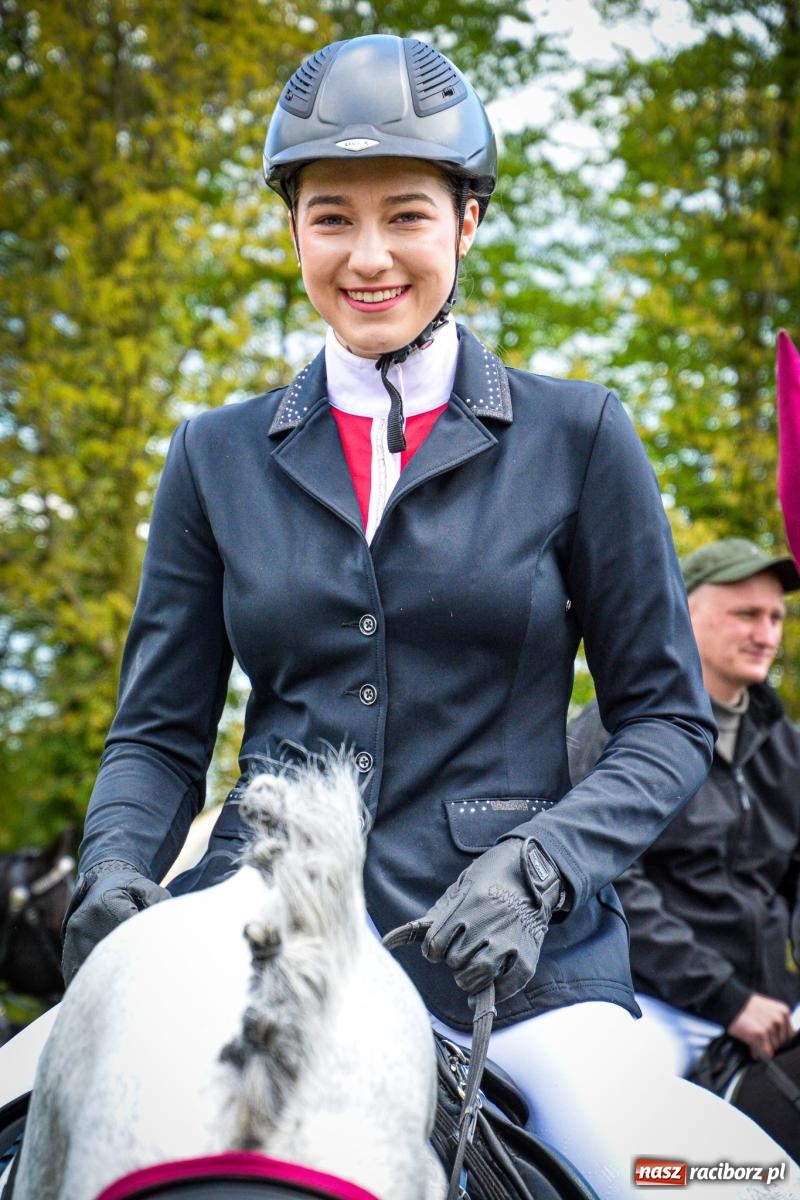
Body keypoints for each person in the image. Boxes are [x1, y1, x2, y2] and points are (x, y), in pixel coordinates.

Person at [53, 34, 799, 1198]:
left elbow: (661, 721)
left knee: (710, 1178)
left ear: (466, 223)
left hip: (514, 968)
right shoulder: (213, 457)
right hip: (247, 944)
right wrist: (111, 871)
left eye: (404, 215)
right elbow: (157, 736)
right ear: (291, 229)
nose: (366, 257)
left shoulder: (579, 437)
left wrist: (539, 866)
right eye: (329, 218)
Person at [568, 536, 800, 1078]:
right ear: (683, 611)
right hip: (651, 1008)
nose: (765, 634)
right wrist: (727, 999)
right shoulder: (613, 732)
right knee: (647, 1146)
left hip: (772, 1005)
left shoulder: (788, 747)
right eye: (745, 615)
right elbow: (610, 885)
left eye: (774, 617)